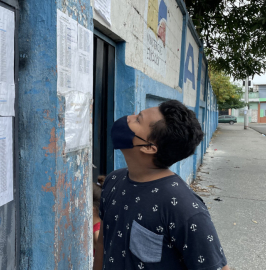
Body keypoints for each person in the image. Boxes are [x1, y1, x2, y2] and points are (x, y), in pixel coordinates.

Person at [93, 100, 229, 270]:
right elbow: (104, 243)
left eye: (137, 120)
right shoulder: (113, 181)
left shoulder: (184, 207)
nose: (128, 118)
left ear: (149, 147)